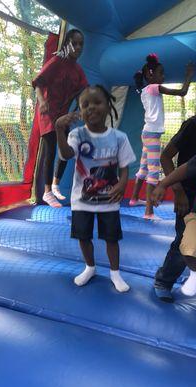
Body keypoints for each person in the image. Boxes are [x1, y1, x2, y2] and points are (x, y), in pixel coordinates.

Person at [55, 85, 136, 292]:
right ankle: (89, 267)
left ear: (109, 106)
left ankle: (115, 273)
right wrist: (58, 130)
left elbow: (124, 168)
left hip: (108, 200)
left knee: (112, 238)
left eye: (97, 102)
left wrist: (121, 183)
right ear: (80, 111)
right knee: (83, 236)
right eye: (85, 105)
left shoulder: (119, 137)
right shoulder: (76, 135)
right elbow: (65, 155)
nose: (91, 108)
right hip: (81, 200)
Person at [153, 108, 196, 302]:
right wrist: (176, 191)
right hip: (190, 197)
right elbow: (166, 156)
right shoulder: (195, 125)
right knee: (184, 241)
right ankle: (164, 280)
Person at [129, 54, 195, 219]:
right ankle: (149, 212)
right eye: (161, 73)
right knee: (153, 172)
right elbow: (182, 92)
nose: (163, 76)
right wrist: (189, 75)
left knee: (143, 168)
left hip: (147, 133)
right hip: (152, 135)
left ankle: (134, 198)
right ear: (150, 75)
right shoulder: (153, 87)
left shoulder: (143, 90)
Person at [32, 29, 88, 208]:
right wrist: (42, 102)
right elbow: (38, 83)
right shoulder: (56, 62)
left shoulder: (77, 69)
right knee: (51, 148)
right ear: (67, 44)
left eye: (81, 44)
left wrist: (80, 108)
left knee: (66, 149)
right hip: (48, 113)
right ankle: (47, 191)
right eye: (75, 43)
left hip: (62, 115)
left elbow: (84, 90)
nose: (78, 47)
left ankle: (55, 184)